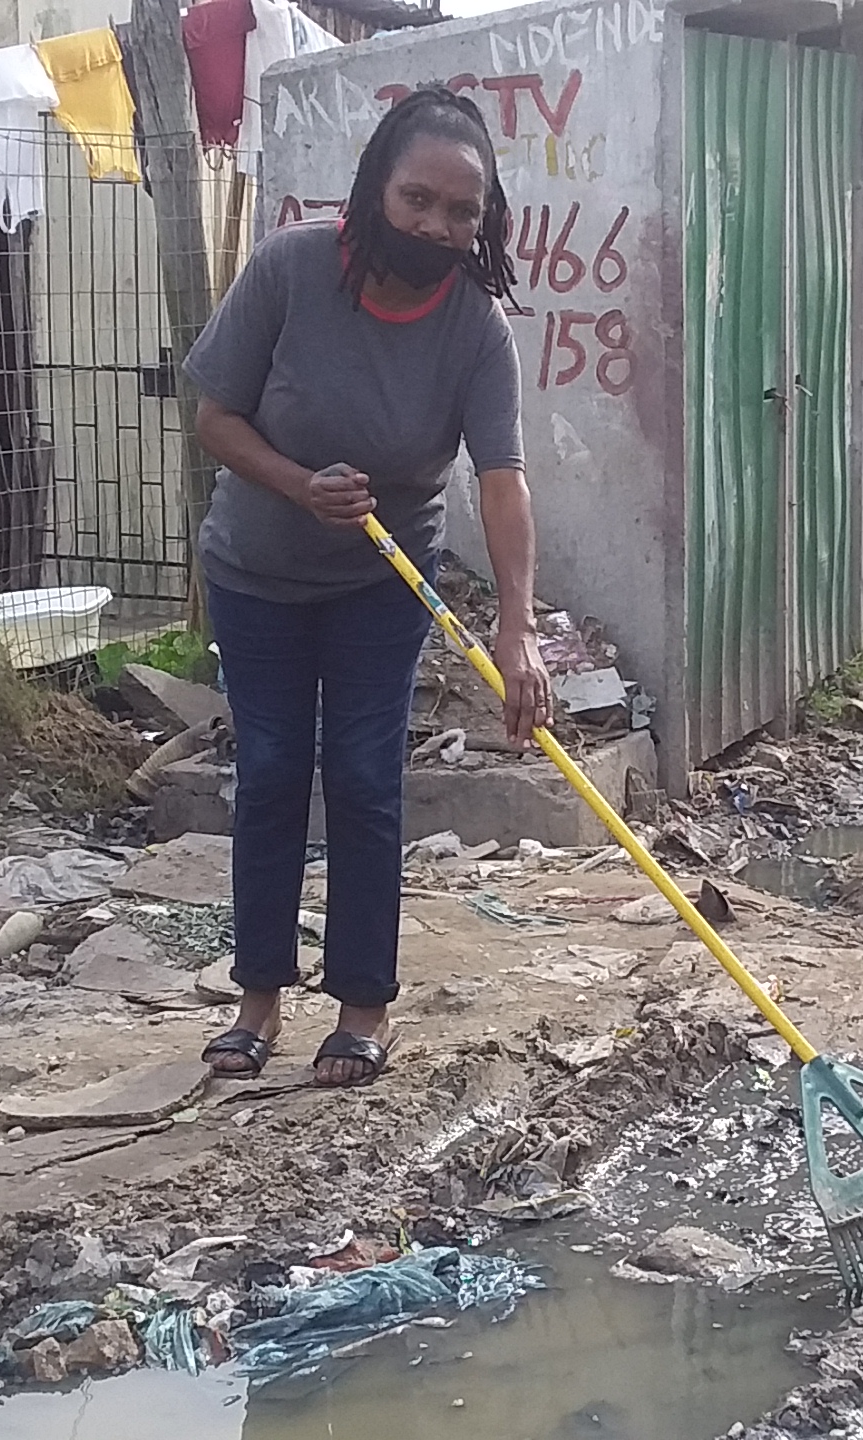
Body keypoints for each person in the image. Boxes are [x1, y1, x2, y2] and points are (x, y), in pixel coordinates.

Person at [185, 86, 550, 1087]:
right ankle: (257, 997)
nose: (436, 225)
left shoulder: (476, 327)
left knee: (359, 777)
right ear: (373, 191)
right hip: (255, 572)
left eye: (460, 211)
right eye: (416, 199)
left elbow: (502, 479)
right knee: (267, 773)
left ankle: (362, 1008)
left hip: (380, 583)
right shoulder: (290, 271)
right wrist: (300, 485)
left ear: (484, 220)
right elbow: (216, 418)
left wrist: (518, 629)